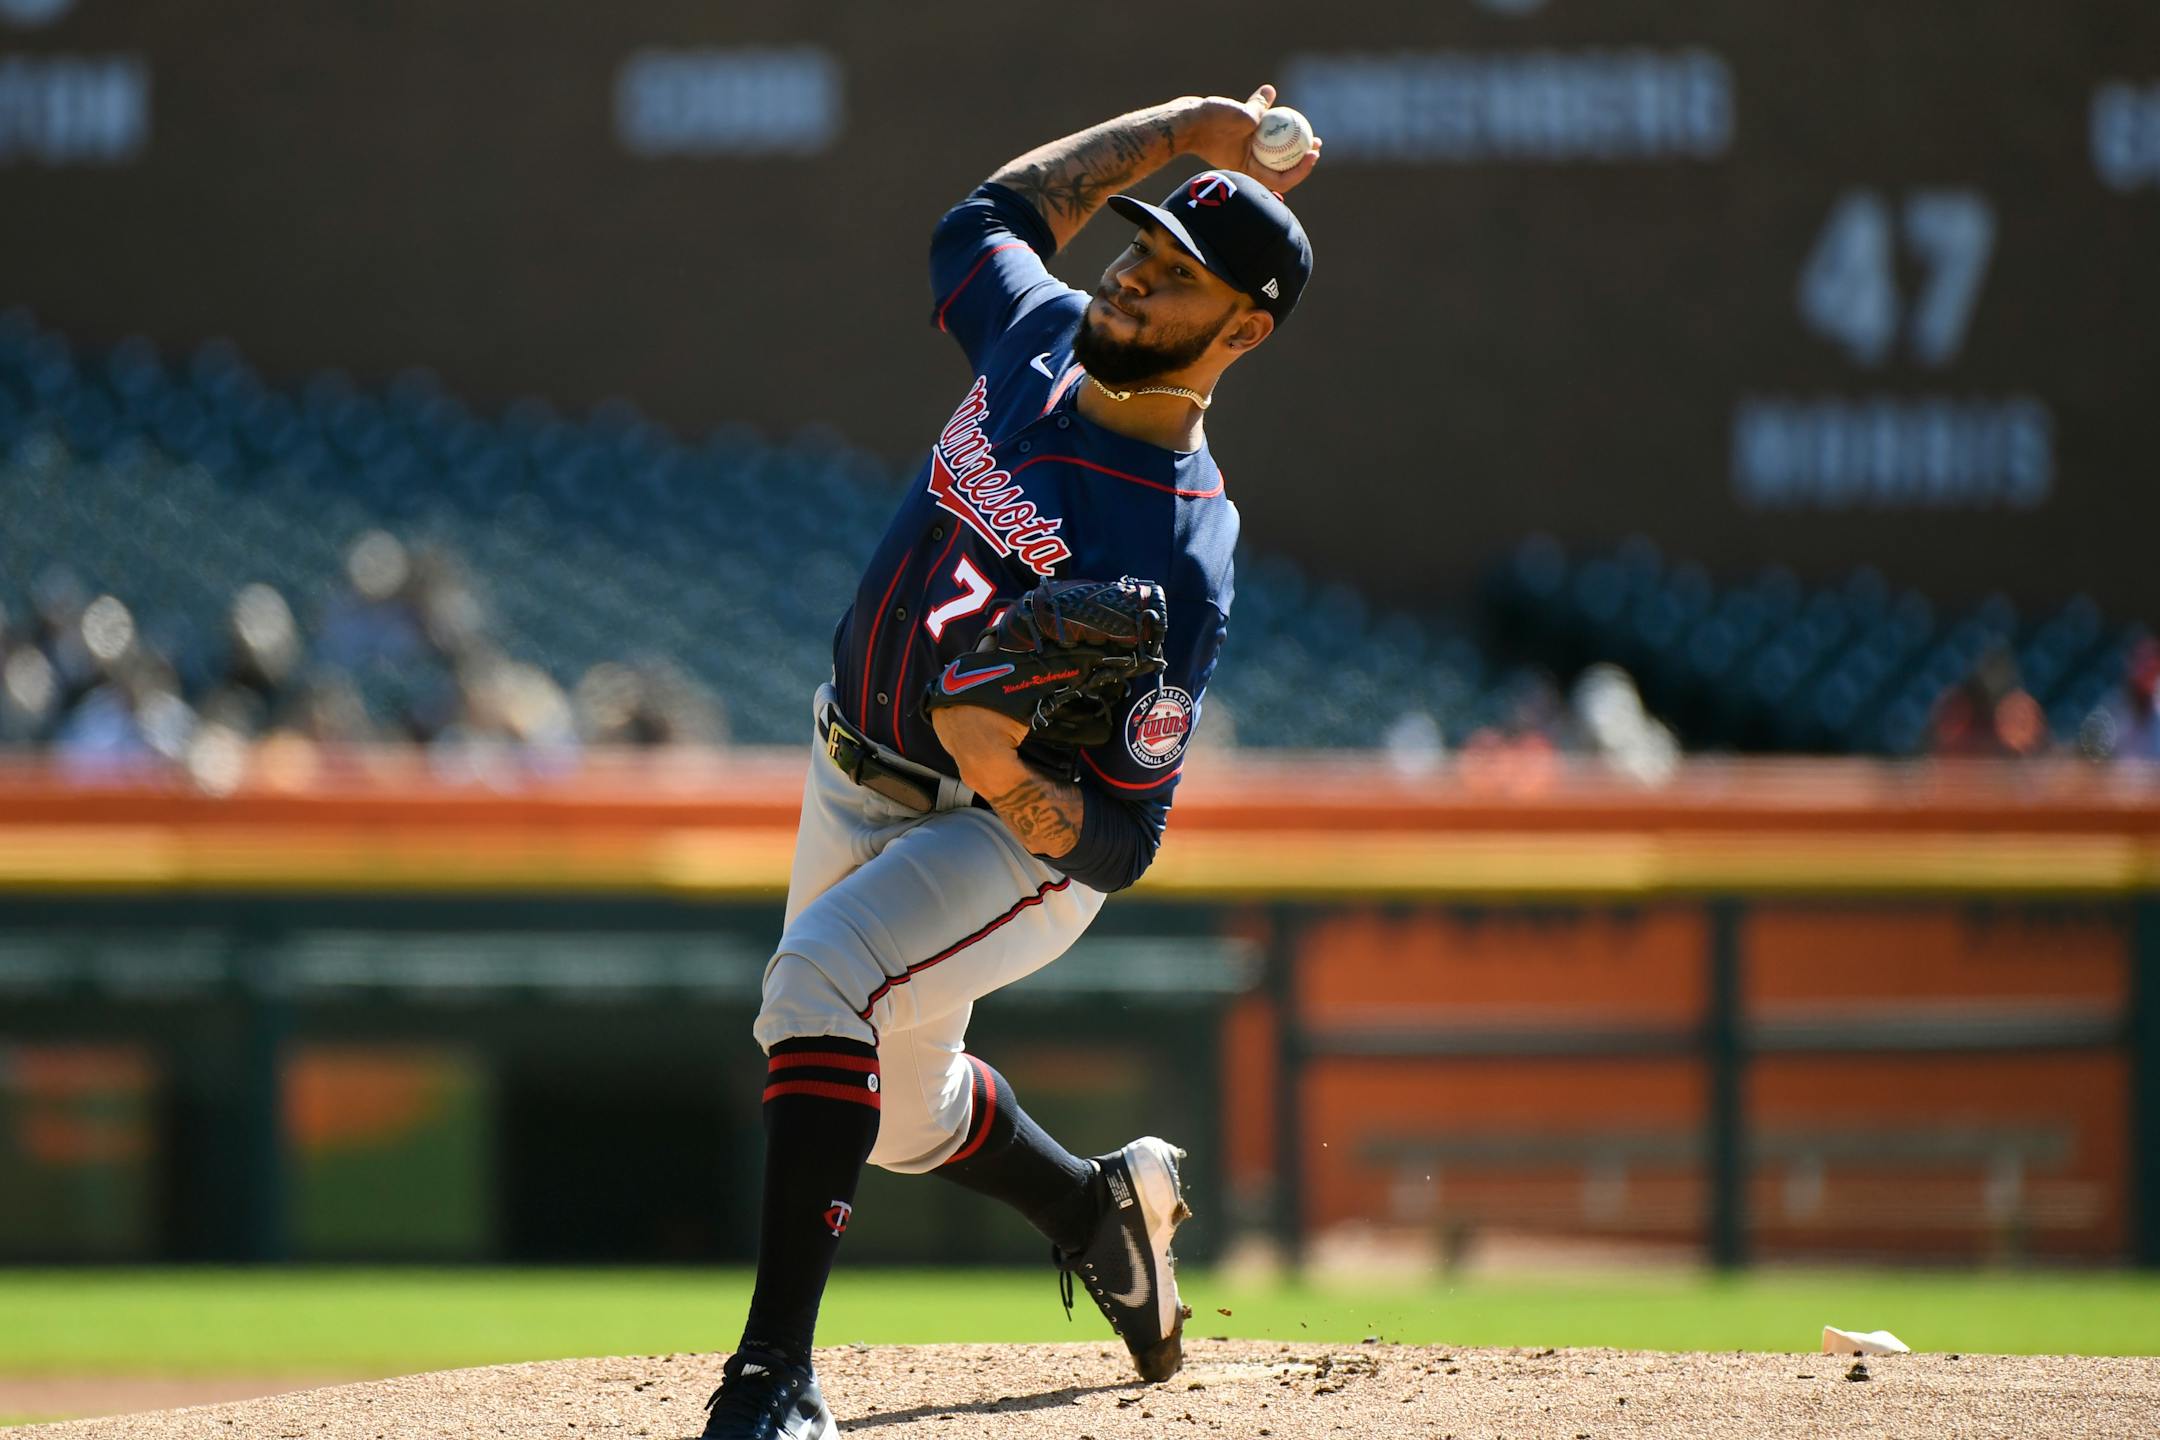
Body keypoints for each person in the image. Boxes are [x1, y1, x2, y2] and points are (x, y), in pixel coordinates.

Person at [698, 84, 1318, 1440]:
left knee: (817, 984)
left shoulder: (1179, 553)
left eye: (1177, 282)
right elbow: (982, 220)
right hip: (848, 762)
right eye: (1142, 251)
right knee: (902, 1116)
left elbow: (1124, 841)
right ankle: (1097, 1211)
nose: (1134, 278)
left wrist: (1000, 760)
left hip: (1007, 843)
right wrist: (1184, 128)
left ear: (1243, 331)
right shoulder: (1040, 333)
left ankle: (773, 1380)